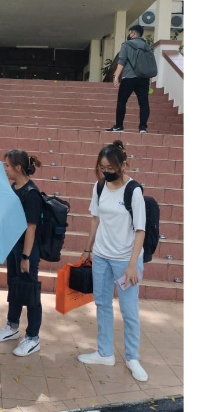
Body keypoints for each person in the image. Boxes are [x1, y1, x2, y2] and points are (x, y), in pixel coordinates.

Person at [77, 140, 149, 383]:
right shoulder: (99, 187)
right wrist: (88, 250)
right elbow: (95, 220)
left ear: (123, 165)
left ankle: (132, 358)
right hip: (101, 257)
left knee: (129, 310)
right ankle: (105, 353)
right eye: (102, 167)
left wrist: (131, 265)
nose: (105, 172)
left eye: (110, 168)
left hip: (125, 261)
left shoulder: (133, 191)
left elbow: (140, 230)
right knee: (102, 304)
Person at [0, 150, 44, 357]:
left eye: (7, 166)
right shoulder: (16, 187)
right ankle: (12, 326)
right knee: (14, 286)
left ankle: (32, 337)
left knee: (30, 292)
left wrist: (26, 257)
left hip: (27, 250)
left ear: (18, 168)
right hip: (15, 246)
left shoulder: (31, 193)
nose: (5, 169)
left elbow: (31, 228)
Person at [106, 24, 151, 134]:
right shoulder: (146, 46)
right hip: (144, 78)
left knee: (122, 101)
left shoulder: (126, 44)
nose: (129, 34)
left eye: (130, 32)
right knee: (144, 103)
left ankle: (119, 126)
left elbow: (121, 61)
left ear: (133, 33)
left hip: (129, 77)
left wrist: (116, 77)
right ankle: (143, 128)